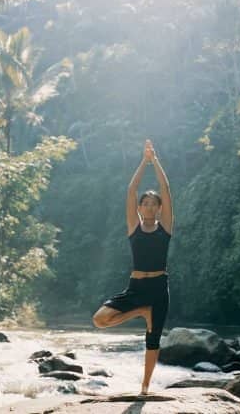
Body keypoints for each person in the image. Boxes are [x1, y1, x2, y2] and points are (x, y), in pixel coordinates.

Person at [92, 139, 174, 395]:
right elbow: (130, 190)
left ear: (160, 208)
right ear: (139, 208)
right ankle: (141, 311)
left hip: (159, 288)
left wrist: (156, 160)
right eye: (145, 203)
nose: (149, 206)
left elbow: (166, 187)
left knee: (153, 340)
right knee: (100, 320)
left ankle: (145, 387)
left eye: (154, 203)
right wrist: (143, 160)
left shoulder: (166, 228)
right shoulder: (134, 228)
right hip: (136, 287)